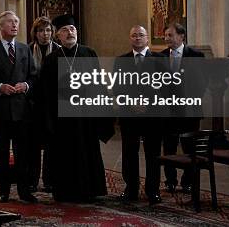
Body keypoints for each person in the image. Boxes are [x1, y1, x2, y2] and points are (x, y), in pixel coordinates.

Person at [40, 14, 113, 202]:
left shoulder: (89, 53)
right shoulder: (51, 60)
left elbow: (98, 85)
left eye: (72, 29)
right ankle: (65, 191)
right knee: (64, 154)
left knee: (87, 150)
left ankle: (89, 190)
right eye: (65, 30)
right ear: (58, 36)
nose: (70, 32)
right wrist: (48, 121)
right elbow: (46, 94)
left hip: (86, 116)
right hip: (61, 119)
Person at [0, 11, 38, 203]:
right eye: (10, 22)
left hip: (22, 111)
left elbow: (33, 76)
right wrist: (0, 87)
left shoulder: (24, 49)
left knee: (23, 154)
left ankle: (24, 191)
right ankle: (4, 191)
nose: (15, 25)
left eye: (17, 22)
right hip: (0, 111)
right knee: (2, 153)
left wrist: (26, 86)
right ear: (1, 27)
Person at [113, 25, 164, 205]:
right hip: (129, 115)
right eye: (134, 35)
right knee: (129, 154)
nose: (137, 38)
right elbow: (118, 88)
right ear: (130, 39)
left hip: (153, 116)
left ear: (147, 38)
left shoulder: (160, 59)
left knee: (153, 155)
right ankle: (131, 189)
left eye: (141, 35)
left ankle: (153, 191)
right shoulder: (121, 61)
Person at [161, 23, 205, 193]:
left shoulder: (196, 56)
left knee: (189, 147)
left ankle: (188, 181)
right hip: (168, 111)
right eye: (165, 35)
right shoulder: (161, 56)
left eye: (170, 35)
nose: (167, 39)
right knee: (169, 147)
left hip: (189, 111)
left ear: (181, 36)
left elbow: (202, 83)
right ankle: (170, 180)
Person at [27, 16, 58, 193]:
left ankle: (49, 180)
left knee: (51, 145)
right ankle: (32, 180)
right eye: (41, 31)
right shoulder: (28, 50)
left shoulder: (59, 50)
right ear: (35, 33)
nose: (45, 34)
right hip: (33, 103)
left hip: (52, 104)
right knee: (33, 145)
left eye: (48, 30)